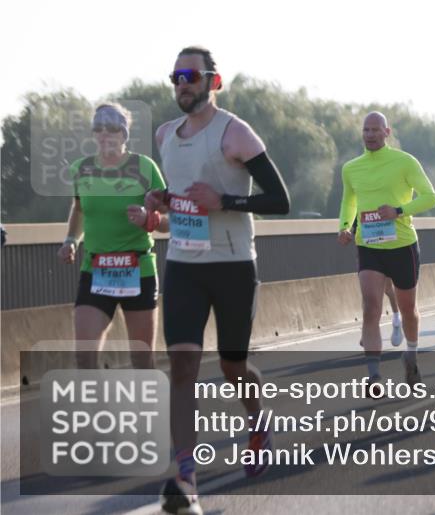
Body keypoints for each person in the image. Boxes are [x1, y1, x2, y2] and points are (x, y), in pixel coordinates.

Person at [147, 47, 291, 515]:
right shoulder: (166, 134)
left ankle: (258, 419)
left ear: (214, 80)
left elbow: (279, 201)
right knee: (182, 367)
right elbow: (185, 199)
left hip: (232, 266)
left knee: (233, 368)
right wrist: (162, 201)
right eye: (175, 76)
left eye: (190, 75)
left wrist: (225, 201)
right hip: (184, 265)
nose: (181, 84)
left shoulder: (234, 132)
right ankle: (184, 477)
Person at [57, 103, 166, 370]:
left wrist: (148, 219)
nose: (105, 135)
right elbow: (80, 209)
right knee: (84, 355)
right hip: (95, 270)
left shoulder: (144, 167)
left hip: (137, 269)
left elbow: (171, 220)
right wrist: (71, 240)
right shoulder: (82, 170)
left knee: (141, 360)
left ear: (124, 134)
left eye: (112, 129)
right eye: (99, 129)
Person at [338, 112, 435, 389]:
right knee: (371, 305)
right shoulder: (351, 168)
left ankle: (412, 355)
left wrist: (398, 211)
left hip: (402, 245)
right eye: (365, 130)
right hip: (369, 245)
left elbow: (430, 197)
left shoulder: (405, 162)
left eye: (374, 130)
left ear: (387, 132)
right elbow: (349, 201)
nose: (369, 134)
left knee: (408, 309)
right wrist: (345, 226)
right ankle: (374, 375)